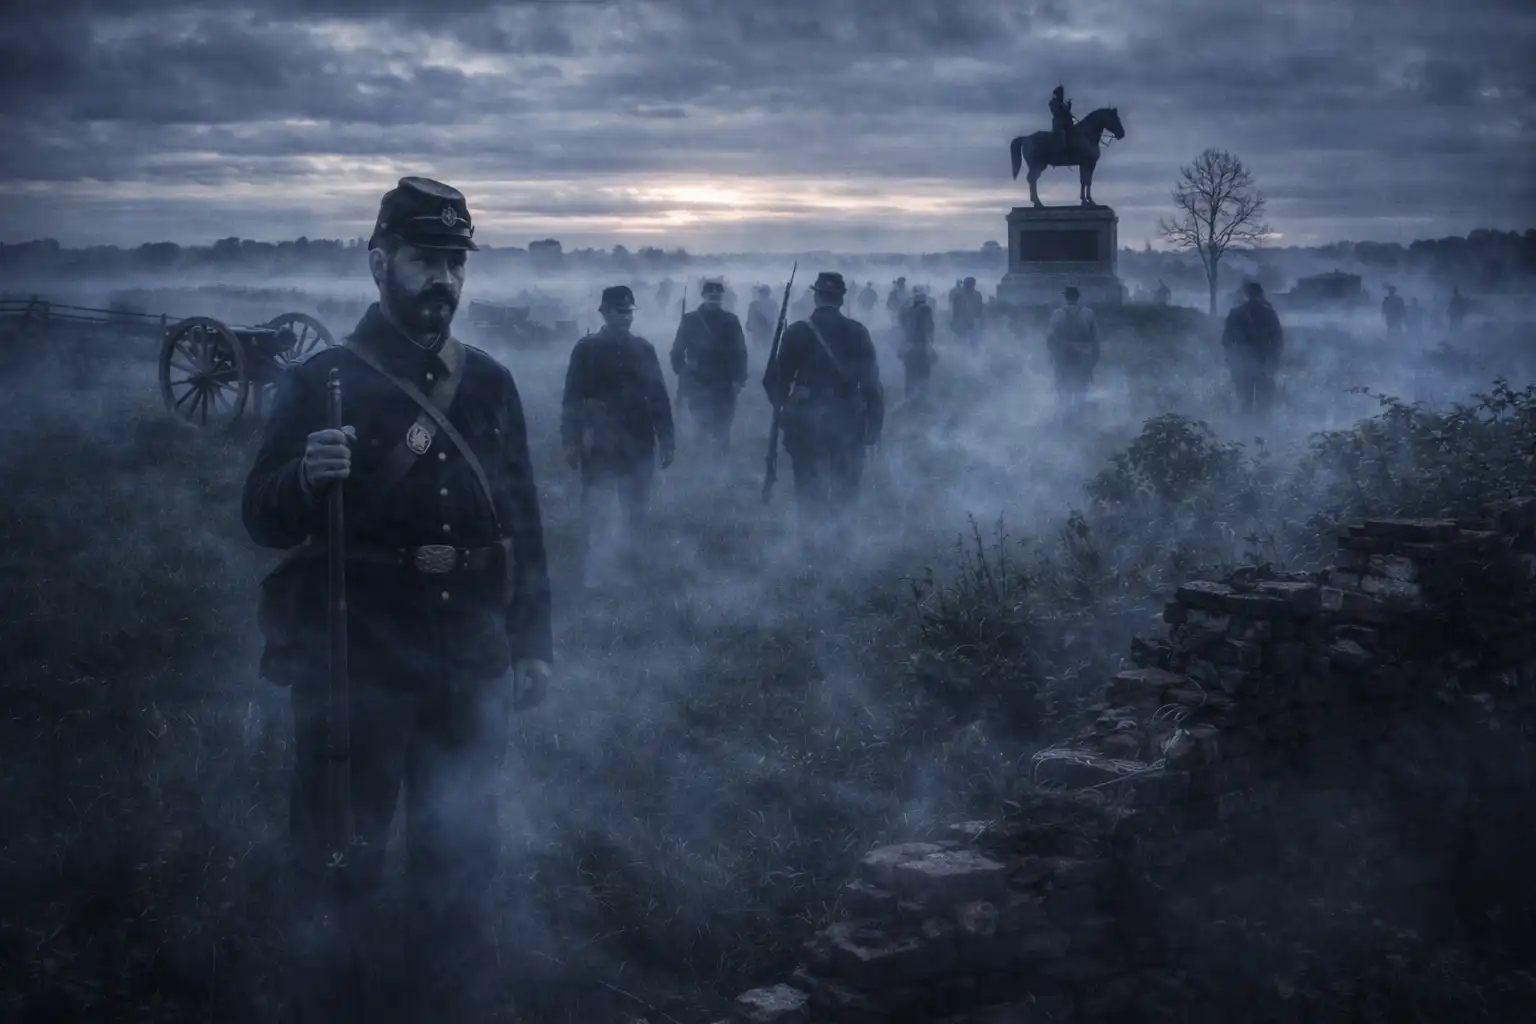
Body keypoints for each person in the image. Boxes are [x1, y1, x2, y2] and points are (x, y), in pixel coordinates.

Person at [242, 176, 553, 1023]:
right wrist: (306, 475)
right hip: (362, 660)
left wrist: (532, 644)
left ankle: (446, 997)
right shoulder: (321, 381)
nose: (443, 277)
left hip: (471, 659)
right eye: (425, 258)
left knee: (461, 855)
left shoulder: (488, 384)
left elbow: (521, 523)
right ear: (379, 263)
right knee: (340, 859)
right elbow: (260, 516)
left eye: (454, 260)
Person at [562, 285, 675, 583]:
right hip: (599, 439)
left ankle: (633, 562)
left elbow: (658, 395)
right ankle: (594, 567)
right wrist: (571, 441)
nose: (626, 317)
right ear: (605, 312)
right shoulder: (586, 349)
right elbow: (572, 397)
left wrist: (667, 440)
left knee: (636, 505)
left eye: (629, 311)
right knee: (596, 505)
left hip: (638, 438)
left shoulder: (643, 349)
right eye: (620, 311)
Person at [763, 271, 884, 547]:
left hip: (806, 420)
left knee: (809, 486)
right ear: (841, 300)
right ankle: (842, 543)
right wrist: (875, 423)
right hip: (848, 418)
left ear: (815, 297)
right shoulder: (857, 331)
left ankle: (811, 544)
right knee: (846, 485)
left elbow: (774, 381)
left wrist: (784, 414)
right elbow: (872, 384)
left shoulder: (796, 331)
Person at [670, 277, 749, 455]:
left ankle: (720, 470)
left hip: (725, 383)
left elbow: (740, 352)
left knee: (722, 431)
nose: (714, 296)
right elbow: (677, 351)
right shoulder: (690, 320)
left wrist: (739, 380)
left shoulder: (731, 320)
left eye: (717, 293)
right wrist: (684, 374)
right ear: (703, 295)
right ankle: (701, 470)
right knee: (701, 428)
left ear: (722, 296)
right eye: (710, 293)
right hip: (699, 383)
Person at [1222, 280, 1285, 418]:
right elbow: (1278, 339)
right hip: (1264, 360)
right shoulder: (1268, 313)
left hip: (1242, 361)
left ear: (1246, 294)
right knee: (1264, 403)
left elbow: (1226, 340)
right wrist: (1275, 360)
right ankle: (1261, 432)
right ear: (1260, 294)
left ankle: (1245, 431)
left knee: (1245, 401)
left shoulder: (1235, 313)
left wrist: (1232, 358)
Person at [1046, 284, 1099, 409]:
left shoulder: (1057, 313)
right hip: (1084, 353)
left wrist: (1053, 354)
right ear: (1078, 297)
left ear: (1066, 297)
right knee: (1082, 387)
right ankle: (1079, 414)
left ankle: (1065, 414)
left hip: (1063, 352)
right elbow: (1095, 337)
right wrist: (1094, 357)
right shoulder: (1088, 313)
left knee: (1063, 387)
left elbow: (1051, 337)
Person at [900, 287, 937, 400]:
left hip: (910, 346)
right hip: (920, 346)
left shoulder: (907, 310)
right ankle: (920, 400)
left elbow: (902, 324)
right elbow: (929, 329)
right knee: (923, 376)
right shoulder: (925, 309)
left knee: (911, 377)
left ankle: (910, 400)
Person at [952, 276, 985, 349]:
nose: (967, 286)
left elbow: (980, 309)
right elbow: (955, 311)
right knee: (961, 342)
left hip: (973, 323)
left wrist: (981, 322)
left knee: (974, 343)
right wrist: (954, 323)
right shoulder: (959, 296)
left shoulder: (977, 295)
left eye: (969, 284)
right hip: (961, 323)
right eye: (966, 284)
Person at [746, 284, 776, 349]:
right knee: (763, 348)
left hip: (764, 331)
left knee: (763, 349)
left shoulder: (754, 304)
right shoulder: (773, 304)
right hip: (762, 331)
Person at [1050, 84, 1075, 155]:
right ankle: (1063, 151)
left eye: (1062, 94)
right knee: (1062, 134)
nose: (1062, 96)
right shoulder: (1053, 102)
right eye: (1061, 94)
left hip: (1068, 123)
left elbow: (1067, 111)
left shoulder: (1063, 103)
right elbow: (1056, 112)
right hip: (1059, 124)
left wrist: (1069, 106)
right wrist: (1065, 109)